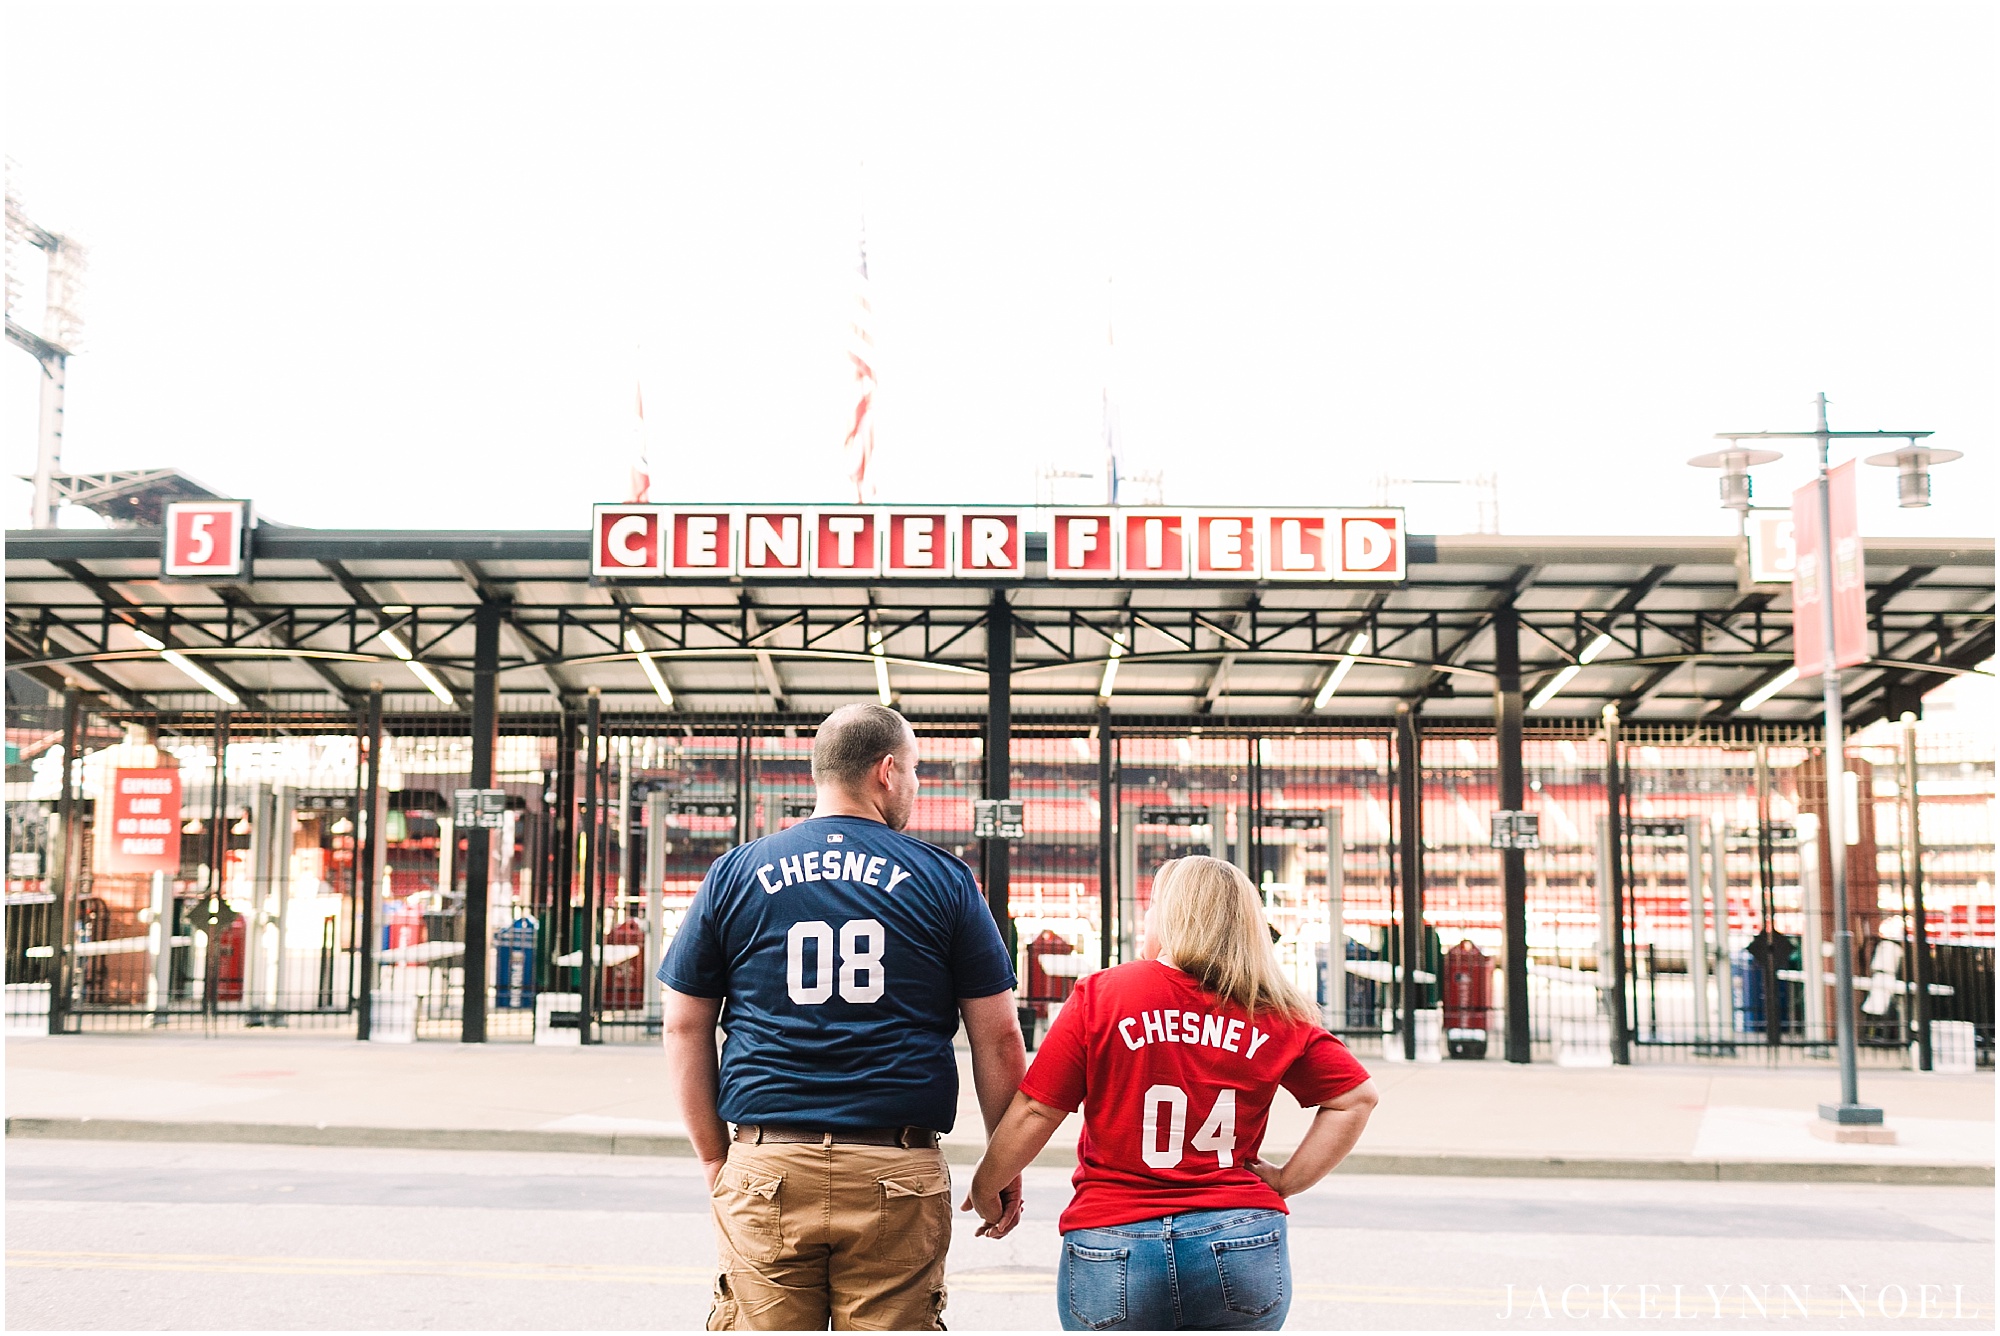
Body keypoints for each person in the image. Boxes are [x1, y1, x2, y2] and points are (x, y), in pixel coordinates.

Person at [659, 703, 1027, 1331]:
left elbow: (685, 1025)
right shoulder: (945, 880)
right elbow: (997, 1036)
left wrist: (716, 1160)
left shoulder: (734, 874)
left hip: (769, 1160)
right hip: (896, 1168)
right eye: (914, 770)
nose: (915, 784)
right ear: (887, 771)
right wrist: (1003, 1164)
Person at [964, 855, 1379, 1331]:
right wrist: (1287, 1180)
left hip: (1113, 1232)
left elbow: (1038, 1109)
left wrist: (988, 1181)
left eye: (1153, 906)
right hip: (1237, 1231)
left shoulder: (1105, 994)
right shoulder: (1274, 1009)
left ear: (1175, 917)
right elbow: (1354, 1098)